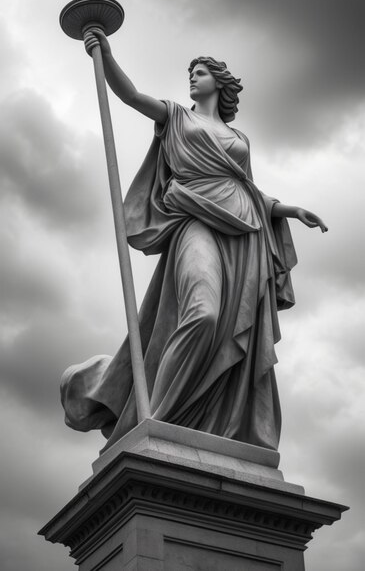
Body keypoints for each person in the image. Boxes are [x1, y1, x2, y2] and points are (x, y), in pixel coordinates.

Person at [61, 29, 327, 453]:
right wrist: (106, 54)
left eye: (200, 72)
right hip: (195, 220)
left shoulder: (240, 140)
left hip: (245, 232)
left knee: (231, 331)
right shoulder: (175, 116)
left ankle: (211, 422)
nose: (192, 78)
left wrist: (287, 209)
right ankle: (157, 417)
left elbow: (247, 187)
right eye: (191, 72)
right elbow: (131, 96)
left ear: (218, 83)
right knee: (203, 314)